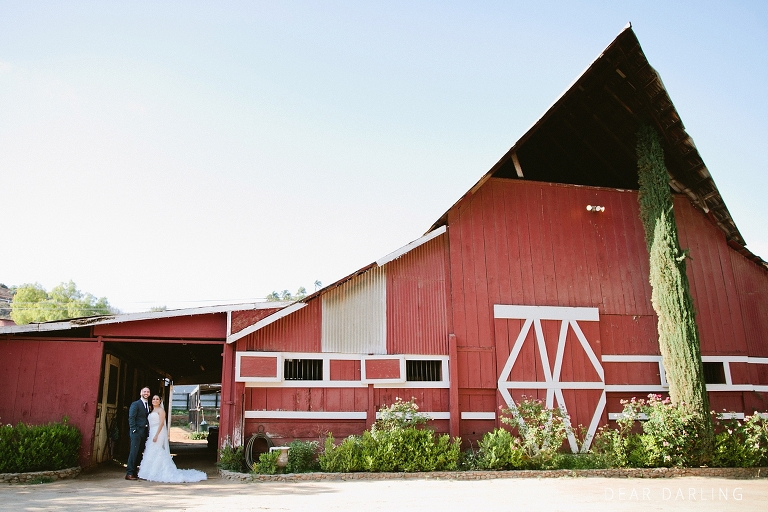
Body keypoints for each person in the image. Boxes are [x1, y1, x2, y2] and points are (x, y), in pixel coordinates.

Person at [137, 395, 208, 483]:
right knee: (150, 450)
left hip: (158, 432)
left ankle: (159, 471)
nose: (155, 400)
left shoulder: (161, 410)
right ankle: (148, 471)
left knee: (157, 449)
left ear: (160, 401)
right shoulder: (152, 410)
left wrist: (156, 435)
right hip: (152, 432)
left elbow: (161, 423)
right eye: (153, 399)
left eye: (157, 399)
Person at [126, 386, 151, 480]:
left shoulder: (148, 405)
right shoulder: (136, 404)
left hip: (144, 432)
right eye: (144, 391)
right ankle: (129, 473)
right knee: (134, 452)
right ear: (141, 393)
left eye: (148, 392)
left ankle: (135, 472)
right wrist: (134, 429)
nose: (146, 393)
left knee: (139, 452)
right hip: (136, 432)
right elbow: (131, 417)